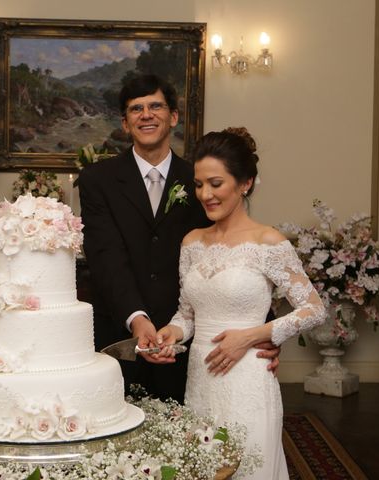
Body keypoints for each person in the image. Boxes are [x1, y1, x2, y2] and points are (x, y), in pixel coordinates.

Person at [78, 75, 279, 402]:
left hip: (193, 338)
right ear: (125, 123)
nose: (146, 114)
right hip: (121, 333)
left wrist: (264, 333)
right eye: (136, 109)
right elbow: (105, 256)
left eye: (155, 106)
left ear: (173, 117)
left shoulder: (201, 181)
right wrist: (136, 318)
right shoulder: (97, 181)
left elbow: (235, 248)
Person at [155, 127, 326, 479]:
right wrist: (171, 333)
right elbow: (187, 314)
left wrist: (251, 336)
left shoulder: (268, 242)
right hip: (201, 380)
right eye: (199, 184)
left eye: (215, 184)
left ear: (245, 182)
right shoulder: (192, 242)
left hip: (247, 378)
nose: (205, 194)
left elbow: (314, 309)